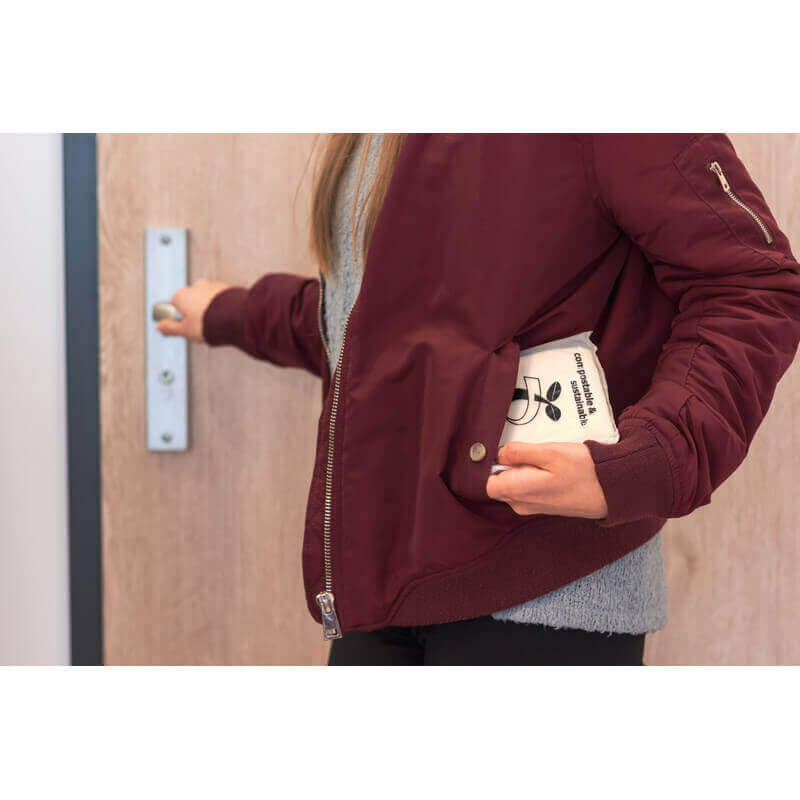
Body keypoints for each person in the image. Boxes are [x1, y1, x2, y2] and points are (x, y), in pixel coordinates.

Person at [157, 134, 800, 666]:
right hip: (387, 583)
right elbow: (383, 326)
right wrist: (236, 314)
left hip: (549, 596)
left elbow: (753, 286)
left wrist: (645, 462)